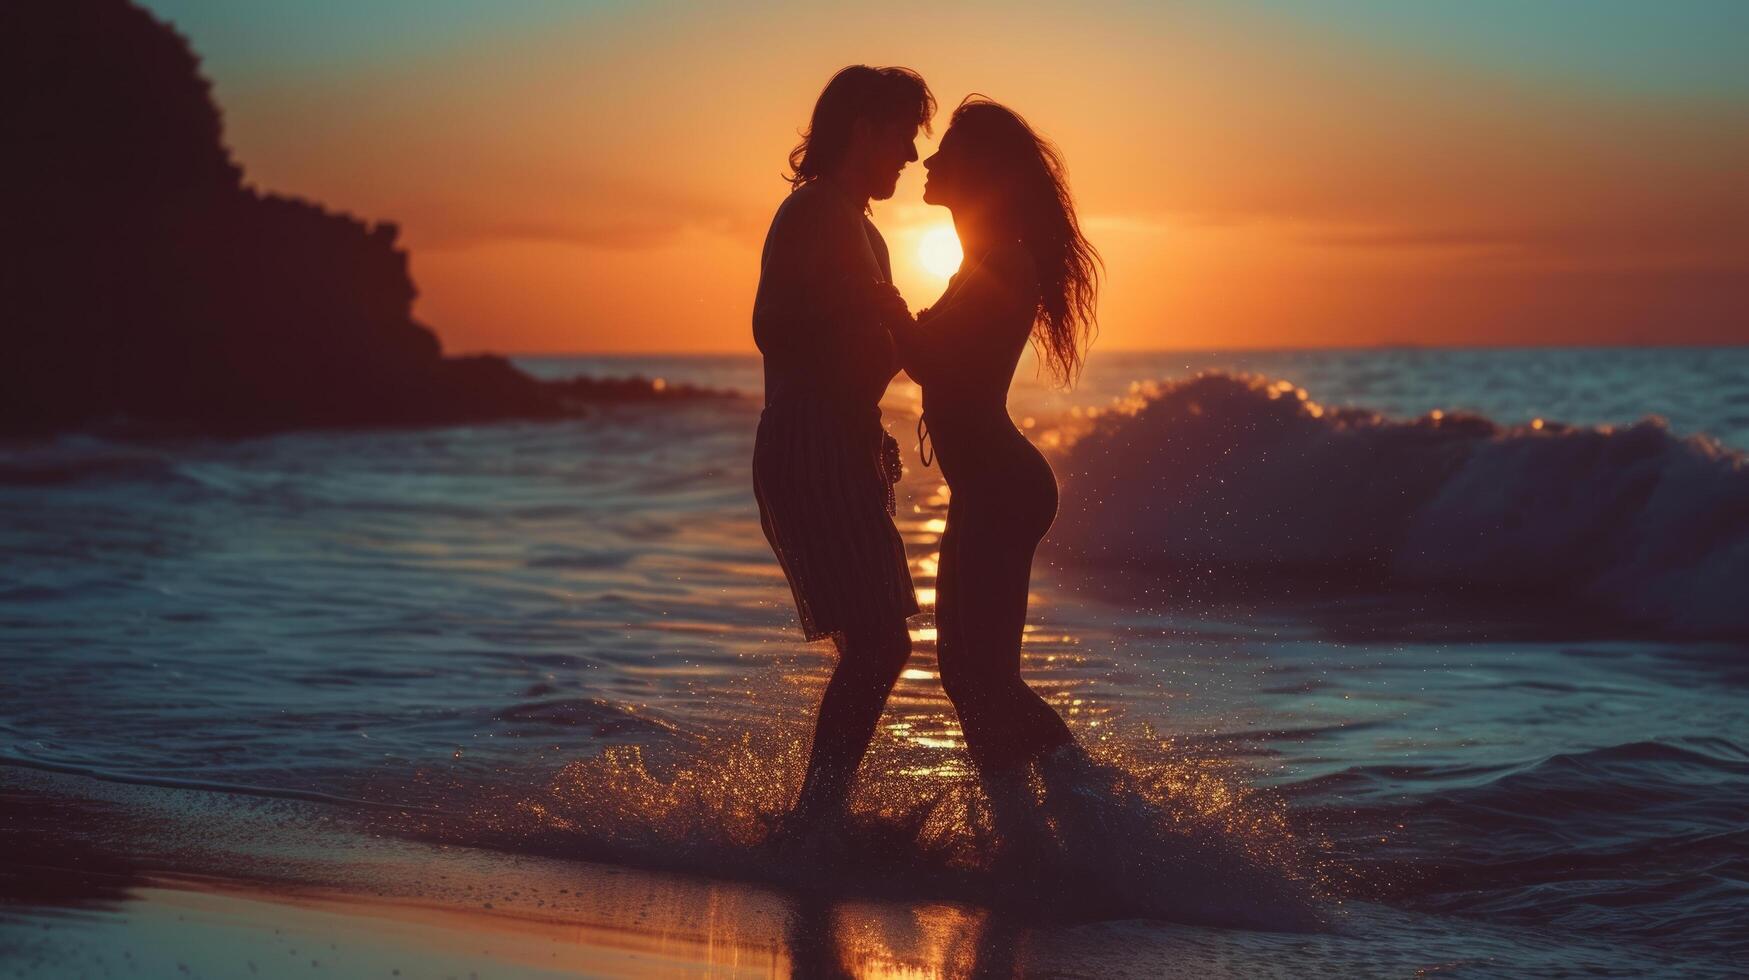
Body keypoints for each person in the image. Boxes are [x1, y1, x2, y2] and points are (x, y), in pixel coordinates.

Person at [886, 97, 1101, 774]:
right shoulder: (975, 261)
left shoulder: (1002, 263)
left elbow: (931, 362)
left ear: (979, 169)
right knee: (965, 676)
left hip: (1001, 487)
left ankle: (1093, 804)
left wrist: (880, 299)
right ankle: (1017, 825)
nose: (927, 160)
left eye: (947, 152)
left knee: (985, 680)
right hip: (986, 486)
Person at [751, 65, 935, 827]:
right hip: (809, 444)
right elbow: (772, 328)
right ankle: (814, 823)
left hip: (841, 446)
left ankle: (818, 818)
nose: (912, 155)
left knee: (877, 641)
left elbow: (875, 345)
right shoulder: (816, 213)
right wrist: (882, 323)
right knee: (881, 642)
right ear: (863, 128)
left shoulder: (858, 225)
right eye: (903, 134)